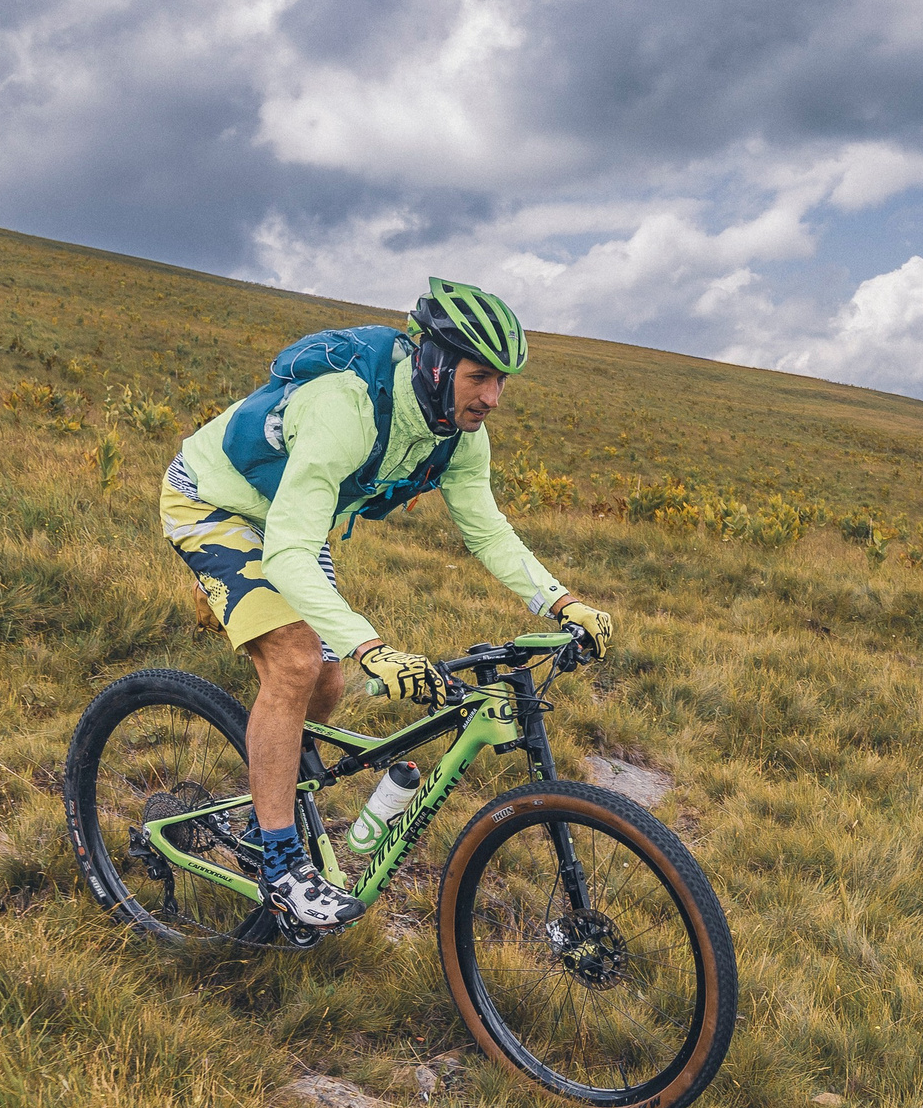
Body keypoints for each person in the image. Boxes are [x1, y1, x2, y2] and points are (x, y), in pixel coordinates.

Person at [159, 278, 613, 932]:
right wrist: (373, 645)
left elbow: (486, 529)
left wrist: (561, 603)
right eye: (480, 376)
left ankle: (276, 791)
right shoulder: (348, 408)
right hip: (216, 503)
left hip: (296, 521)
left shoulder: (458, 431)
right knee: (293, 662)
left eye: (502, 381)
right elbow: (286, 553)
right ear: (434, 363)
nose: (492, 397)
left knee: (327, 678)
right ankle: (281, 864)